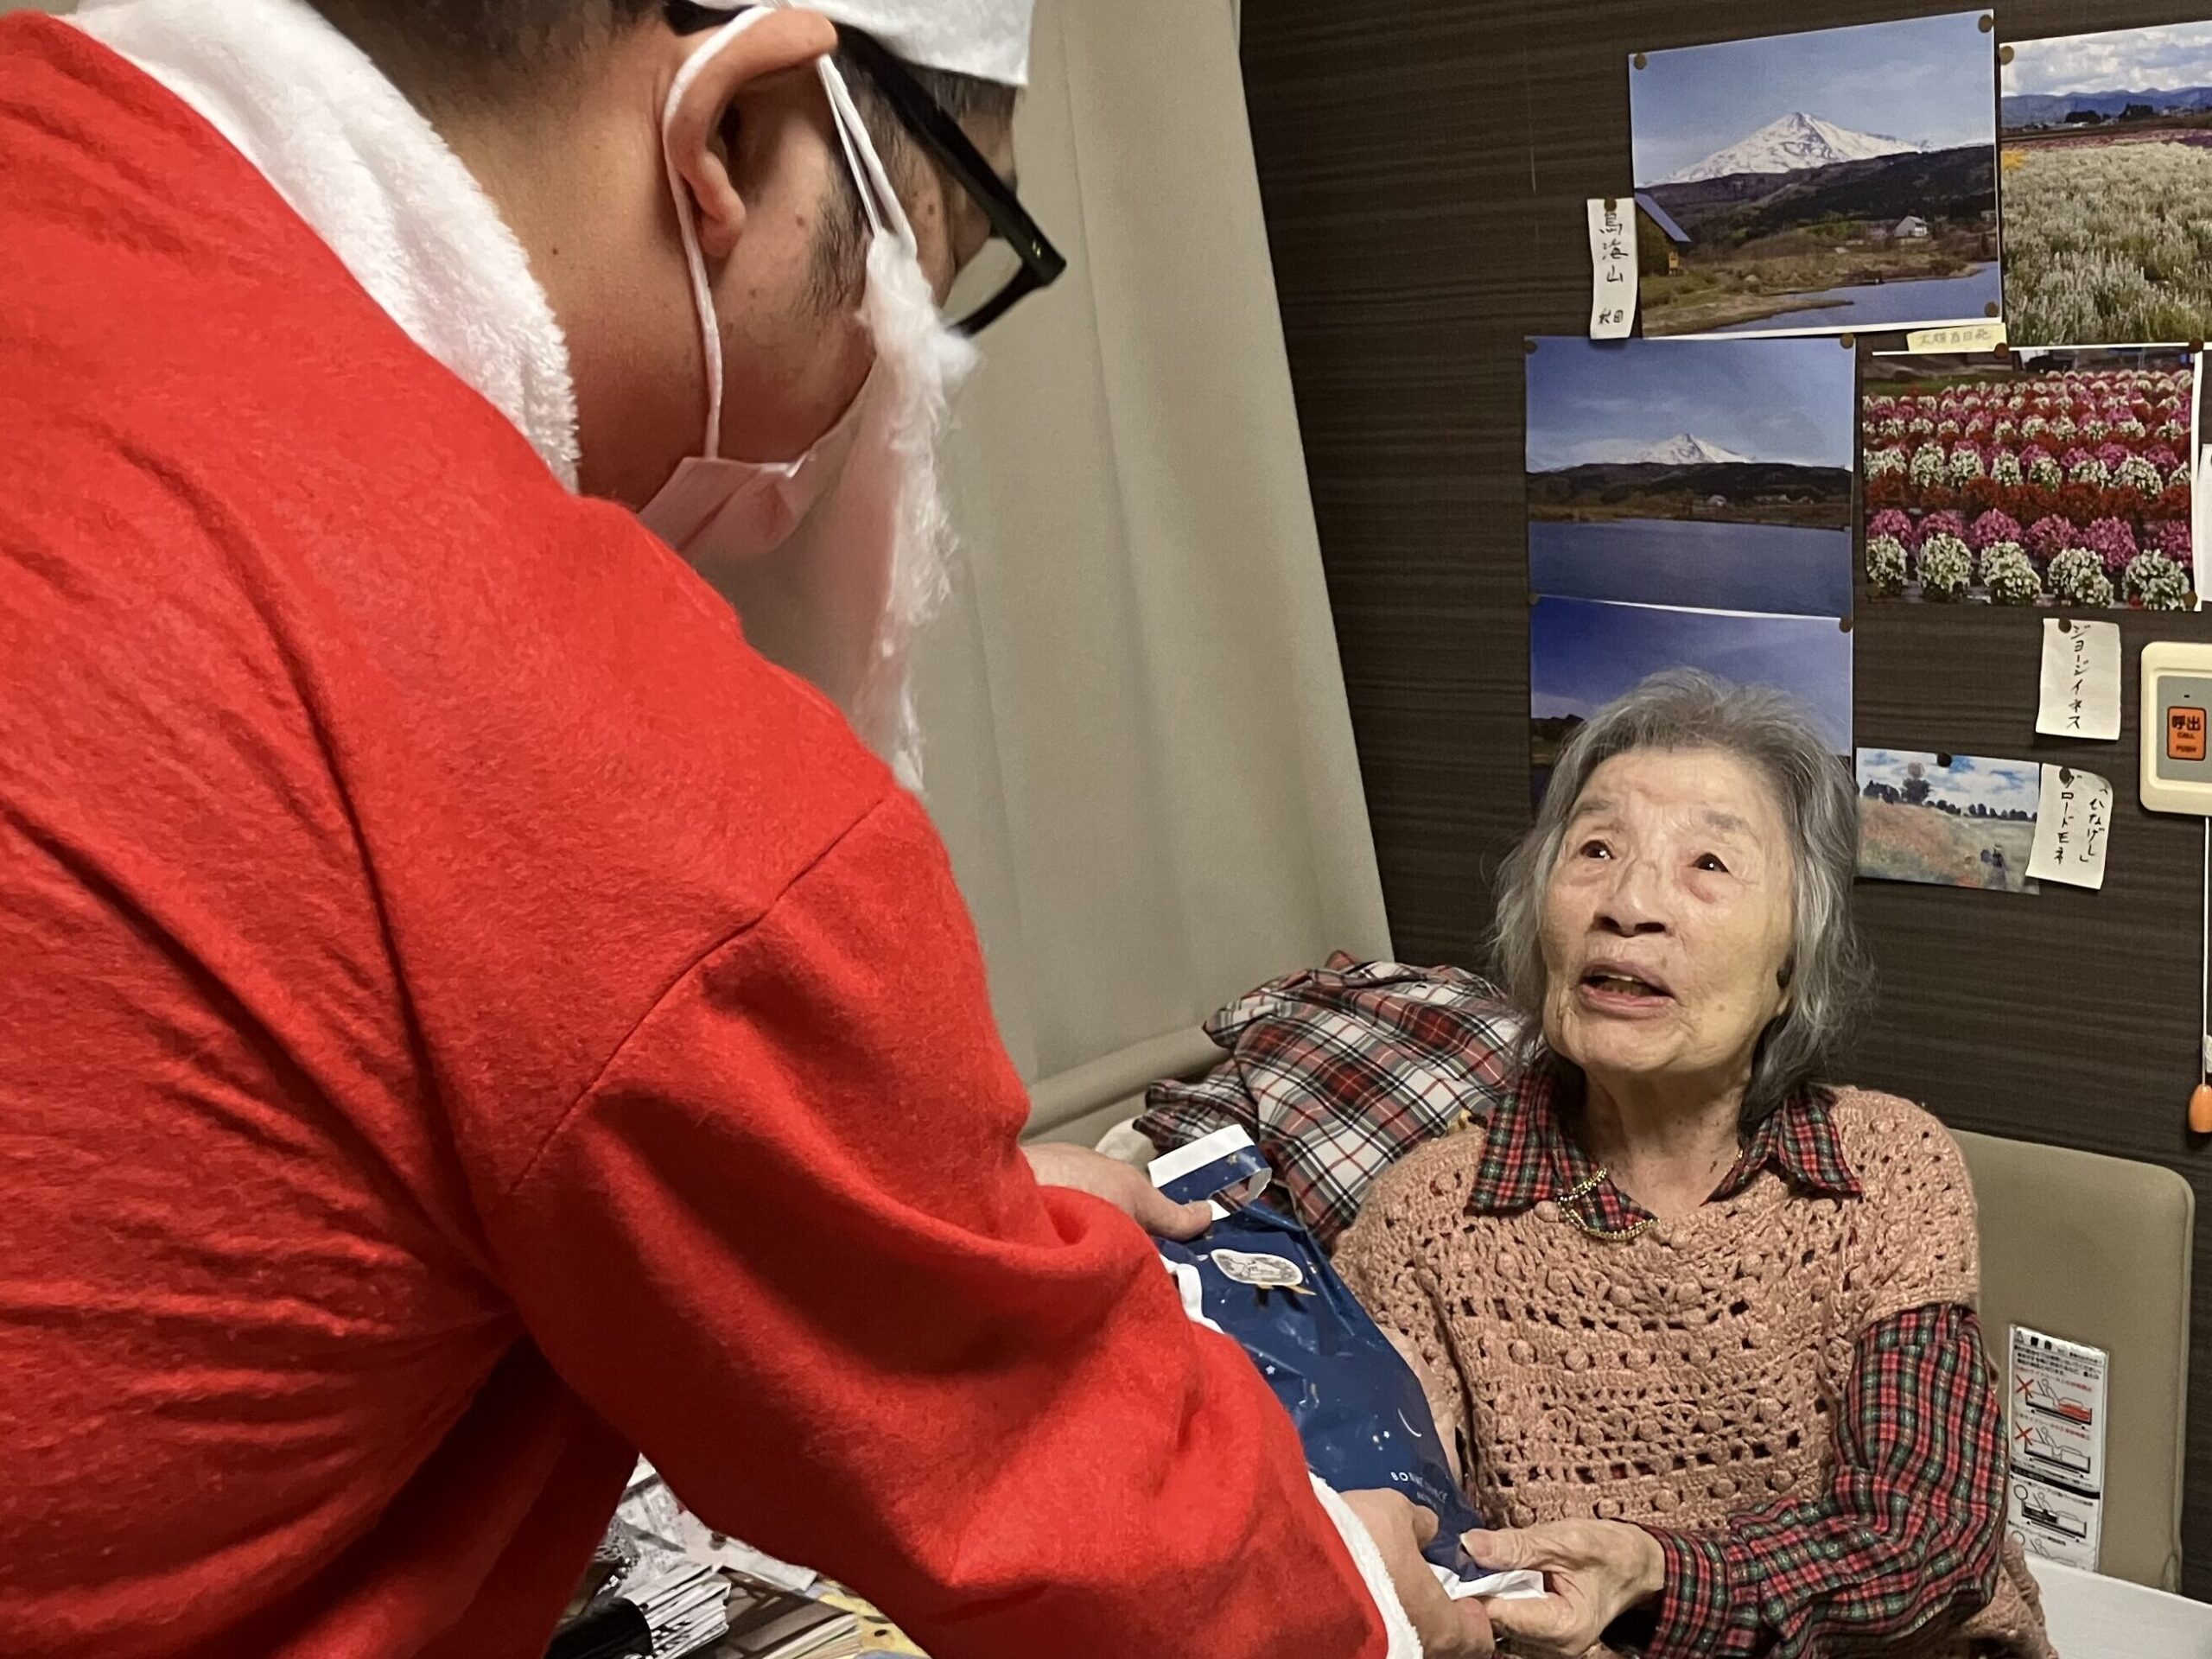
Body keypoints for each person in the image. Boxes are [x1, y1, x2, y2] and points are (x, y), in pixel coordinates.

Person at [0, 2, 1490, 1656]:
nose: (879, 396)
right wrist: (1368, 1598)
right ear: (734, 134)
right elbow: (1119, 1551)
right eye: (916, 288)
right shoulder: (569, 720)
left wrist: (935, 1210)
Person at [1329, 672, 2054, 1659]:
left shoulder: (1883, 1168)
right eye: (1595, 849)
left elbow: (1923, 1536)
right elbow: (1396, 1529)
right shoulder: (1425, 1216)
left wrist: (1659, 1573)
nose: (1628, 904)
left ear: (1792, 964)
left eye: (1708, 862)